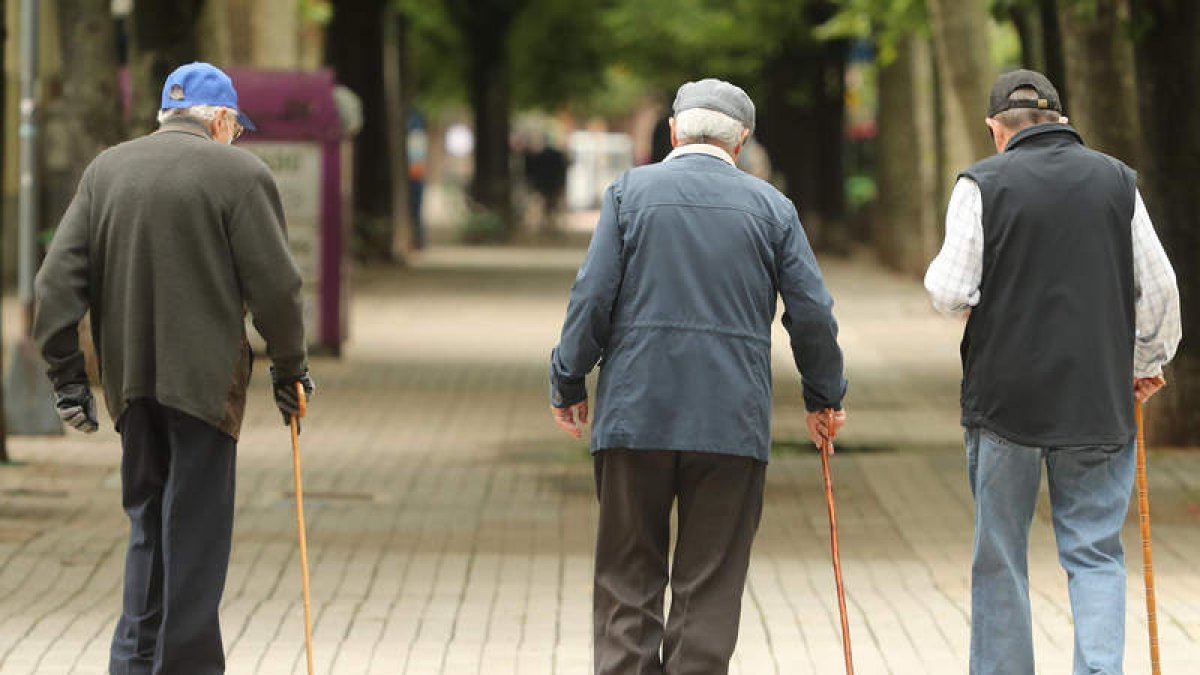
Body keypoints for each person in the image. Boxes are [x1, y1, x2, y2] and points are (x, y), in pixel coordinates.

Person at [549, 78, 848, 675]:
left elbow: (592, 295)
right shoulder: (772, 209)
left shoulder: (629, 194)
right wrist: (824, 395)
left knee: (628, 575)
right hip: (729, 421)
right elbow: (811, 312)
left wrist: (568, 378)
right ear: (741, 141)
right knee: (710, 582)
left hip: (636, 414)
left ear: (672, 133)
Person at [33, 62, 314, 674]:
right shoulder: (239, 173)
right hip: (206, 388)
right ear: (218, 119)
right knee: (194, 542)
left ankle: (132, 665)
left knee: (147, 532)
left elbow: (55, 285)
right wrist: (289, 367)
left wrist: (67, 379)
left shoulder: (106, 170)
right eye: (234, 127)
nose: (234, 138)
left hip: (131, 388)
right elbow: (278, 290)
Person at [924, 69, 1181, 675]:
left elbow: (951, 290)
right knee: (1094, 550)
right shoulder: (1117, 182)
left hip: (1004, 400)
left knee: (1001, 555)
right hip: (1097, 396)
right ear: (1061, 120)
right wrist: (1146, 363)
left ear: (996, 129)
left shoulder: (981, 184)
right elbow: (1161, 287)